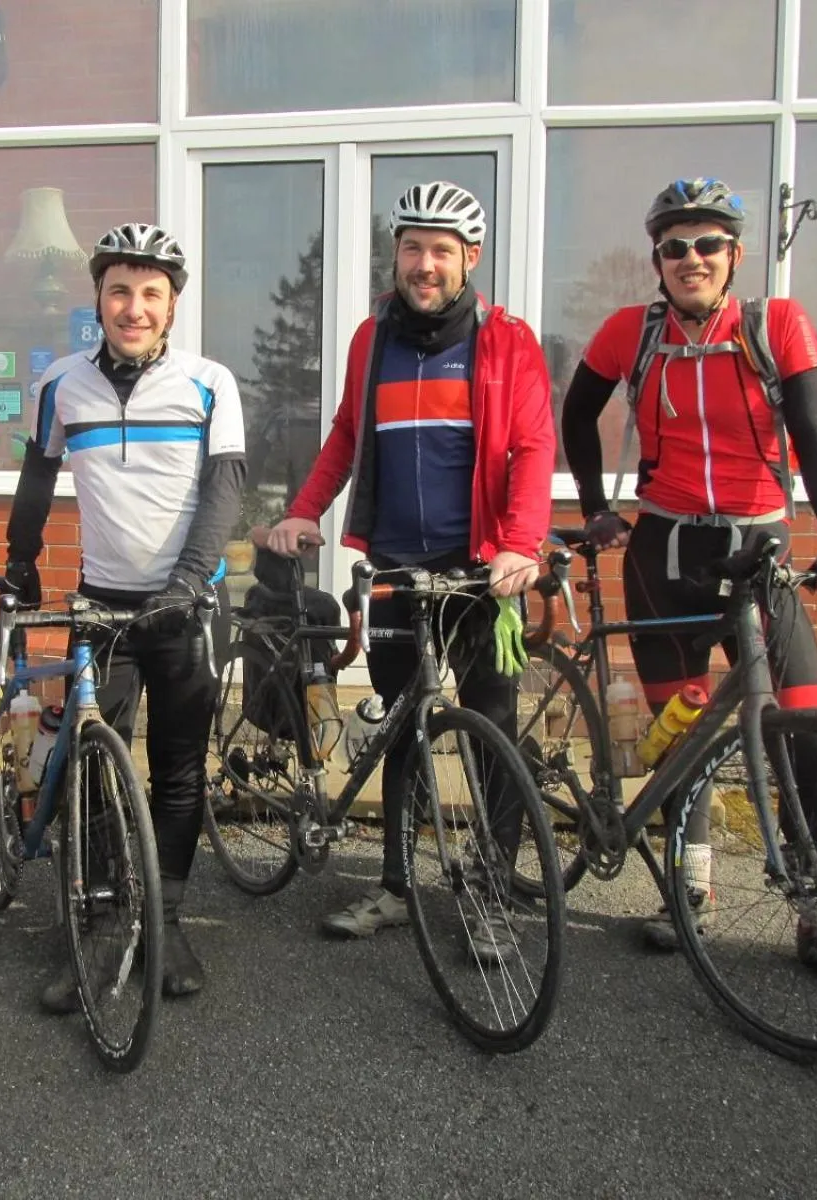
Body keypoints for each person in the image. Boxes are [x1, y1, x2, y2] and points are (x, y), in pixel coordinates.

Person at [558, 177, 817, 996]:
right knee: (686, 731)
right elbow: (577, 412)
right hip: (664, 549)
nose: (691, 259)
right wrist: (597, 509)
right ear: (657, 260)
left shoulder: (776, 325)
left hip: (758, 547)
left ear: (735, 255)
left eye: (708, 245)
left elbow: (815, 431)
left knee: (802, 724)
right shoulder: (631, 331)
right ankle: (691, 887)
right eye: (675, 246)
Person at [266, 181, 556, 948]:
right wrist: (304, 509)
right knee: (401, 724)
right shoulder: (373, 339)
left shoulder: (508, 340)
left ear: (471, 259)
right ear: (395, 253)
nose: (424, 265)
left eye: (440, 251)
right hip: (394, 564)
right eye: (411, 248)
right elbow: (344, 437)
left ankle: (490, 893)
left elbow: (532, 447)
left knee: (490, 730)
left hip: (479, 569)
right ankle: (395, 886)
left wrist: (522, 544)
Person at [4, 222, 246, 1013]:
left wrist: (185, 580)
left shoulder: (209, 382)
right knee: (91, 771)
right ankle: (107, 918)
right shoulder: (61, 384)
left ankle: (166, 919)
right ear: (98, 299)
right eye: (119, 292)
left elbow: (226, 492)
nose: (133, 307)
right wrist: (19, 563)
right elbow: (38, 478)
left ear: (173, 304)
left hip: (186, 605)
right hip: (100, 605)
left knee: (179, 773)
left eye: (150, 294)